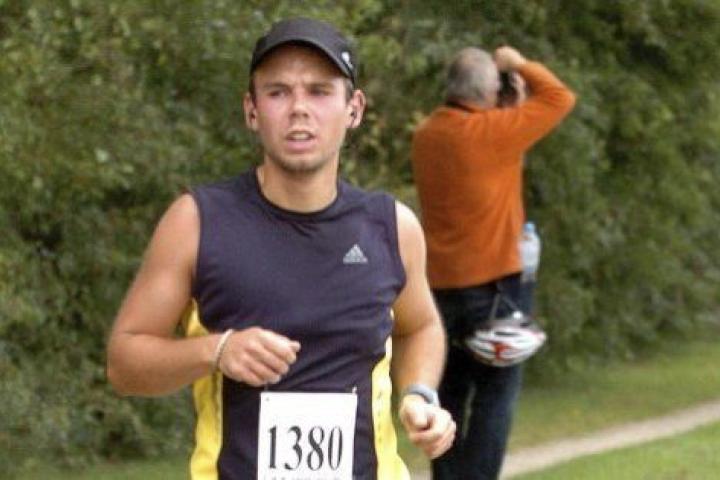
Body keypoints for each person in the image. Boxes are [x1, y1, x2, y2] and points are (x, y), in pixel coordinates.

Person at [107, 17, 455, 480]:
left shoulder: (391, 227)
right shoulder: (197, 222)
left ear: (354, 109)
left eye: (319, 91)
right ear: (252, 110)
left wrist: (418, 395)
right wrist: (216, 350)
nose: (299, 109)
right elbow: (124, 363)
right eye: (278, 92)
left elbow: (421, 326)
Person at [410, 46, 576, 479]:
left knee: (449, 395)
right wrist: (517, 63)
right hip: (496, 288)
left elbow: (488, 157)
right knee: (495, 394)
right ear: (488, 91)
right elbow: (559, 97)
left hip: (440, 288)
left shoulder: (427, 135)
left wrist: (506, 105)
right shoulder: (494, 132)